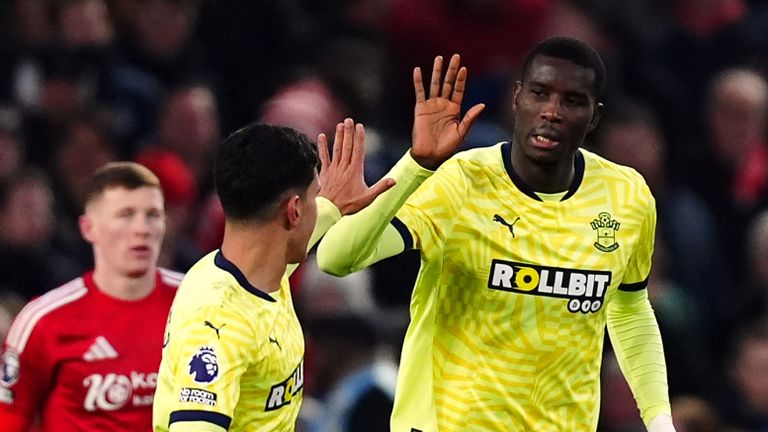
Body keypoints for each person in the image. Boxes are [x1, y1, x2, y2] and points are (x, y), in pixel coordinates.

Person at [317, 37, 676, 431]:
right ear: (517, 99)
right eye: (540, 93)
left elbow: (629, 309)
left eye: (572, 101)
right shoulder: (462, 182)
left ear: (594, 116)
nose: (552, 112)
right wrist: (416, 165)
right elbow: (336, 258)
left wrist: (659, 420)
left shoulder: (627, 195)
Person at [152, 119, 393, 431]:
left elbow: (294, 234)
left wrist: (417, 164)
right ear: (294, 210)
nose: (319, 208)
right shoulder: (219, 320)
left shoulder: (258, 271)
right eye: (315, 198)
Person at [0, 161, 181, 431]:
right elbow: (10, 420)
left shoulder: (200, 303)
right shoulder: (43, 320)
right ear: (88, 228)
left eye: (153, 215)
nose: (142, 228)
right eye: (126, 214)